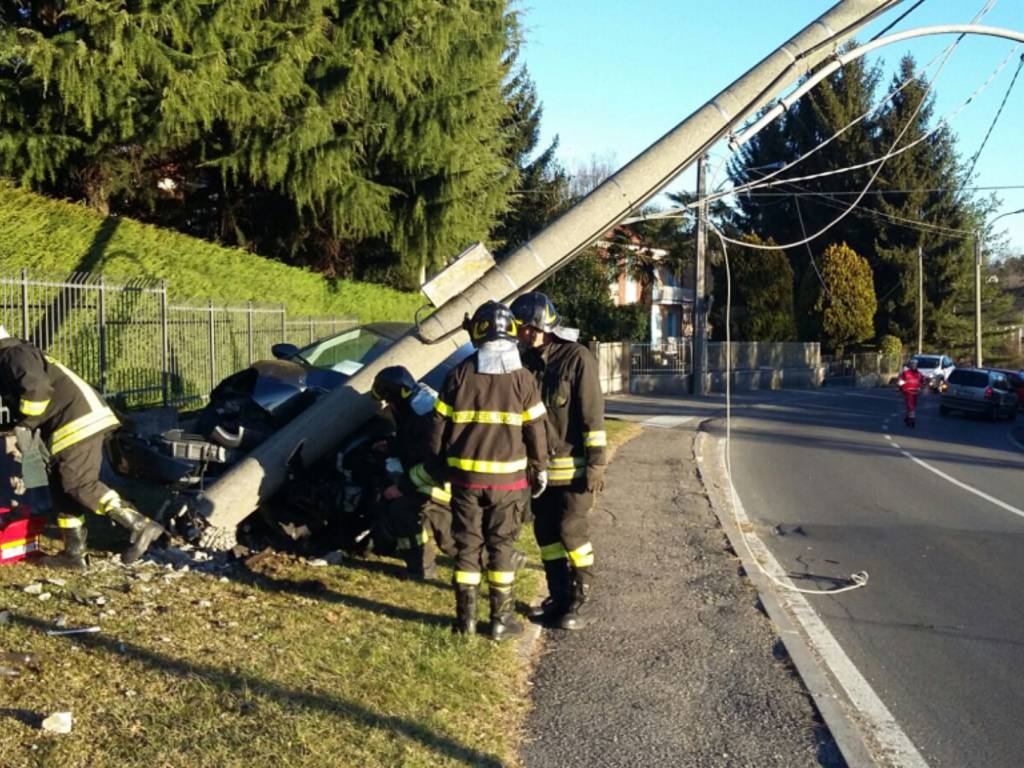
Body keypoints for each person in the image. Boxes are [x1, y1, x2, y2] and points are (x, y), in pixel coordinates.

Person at [423, 301, 547, 640]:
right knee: (501, 548)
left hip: (465, 482)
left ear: (478, 331)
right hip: (508, 484)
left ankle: (465, 622)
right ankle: (500, 621)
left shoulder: (459, 375)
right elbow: (536, 430)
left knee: (467, 547)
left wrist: (435, 466)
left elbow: (438, 427)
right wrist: (540, 468)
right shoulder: (523, 379)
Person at [0, 326, 164, 570]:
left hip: (75, 421)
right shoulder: (17, 354)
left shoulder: (12, 355)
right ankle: (73, 554)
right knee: (61, 488)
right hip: (75, 419)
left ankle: (139, 525)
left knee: (78, 484)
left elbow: (37, 391)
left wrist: (26, 424)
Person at [511, 292, 605, 631]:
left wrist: (596, 464)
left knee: (571, 532)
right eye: (523, 329)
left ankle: (579, 601)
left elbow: (593, 417)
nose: (530, 335)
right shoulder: (522, 362)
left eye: (535, 329)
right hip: (540, 473)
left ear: (550, 327)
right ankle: (558, 598)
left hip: (577, 472)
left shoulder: (577, 358)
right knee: (546, 535)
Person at [369, 365, 457, 579]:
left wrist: (402, 487)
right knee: (404, 512)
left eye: (387, 401)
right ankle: (421, 567)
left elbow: (433, 462)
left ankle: (498, 559)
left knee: (406, 511)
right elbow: (411, 444)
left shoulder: (425, 417)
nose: (386, 406)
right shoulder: (412, 405)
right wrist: (391, 447)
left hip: (442, 483)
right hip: (432, 478)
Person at [898, 358, 924, 428]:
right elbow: (901, 381)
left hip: (916, 392)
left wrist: (921, 387)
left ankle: (908, 417)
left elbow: (922, 381)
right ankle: (912, 419)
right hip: (907, 391)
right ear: (910, 365)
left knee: (913, 405)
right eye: (912, 364)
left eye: (915, 364)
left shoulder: (919, 374)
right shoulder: (906, 373)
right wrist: (900, 387)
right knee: (910, 406)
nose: (913, 366)